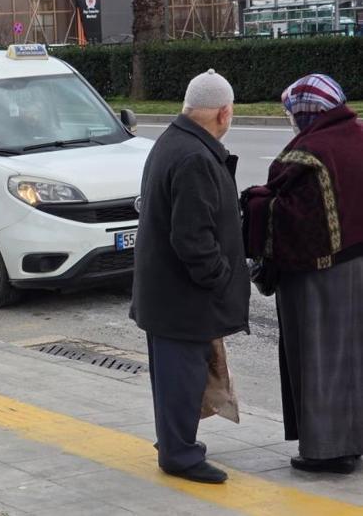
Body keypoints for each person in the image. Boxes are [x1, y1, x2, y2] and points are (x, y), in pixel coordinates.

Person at [130, 69, 250, 484]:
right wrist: (220, 277)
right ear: (223, 113)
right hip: (182, 297)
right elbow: (192, 237)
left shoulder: (173, 141)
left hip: (165, 293)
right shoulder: (196, 156)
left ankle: (174, 445)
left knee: (173, 377)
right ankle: (179, 455)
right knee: (182, 377)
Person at [242, 74, 363, 475]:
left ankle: (328, 451)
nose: (291, 120)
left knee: (321, 359)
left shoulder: (306, 155)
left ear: (308, 113)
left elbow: (295, 221)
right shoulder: (359, 135)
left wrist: (256, 202)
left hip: (320, 278)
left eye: (293, 112)